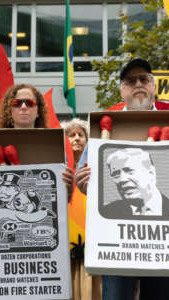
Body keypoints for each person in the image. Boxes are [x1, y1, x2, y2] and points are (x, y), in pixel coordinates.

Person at [74, 58, 169, 300]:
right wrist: (82, 181)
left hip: (166, 241)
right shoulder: (102, 126)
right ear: (121, 89)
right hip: (114, 240)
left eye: (144, 79)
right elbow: (82, 176)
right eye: (130, 80)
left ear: (154, 86)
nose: (138, 84)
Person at [0, 83, 74, 300]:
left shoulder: (55, 147)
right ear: (9, 110)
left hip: (41, 254)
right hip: (1, 258)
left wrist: (67, 186)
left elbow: (61, 205)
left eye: (29, 103)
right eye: (16, 102)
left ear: (38, 110)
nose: (23, 107)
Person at [62, 118, 102, 300]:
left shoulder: (96, 167)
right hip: (66, 243)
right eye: (71, 135)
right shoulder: (59, 170)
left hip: (92, 242)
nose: (76, 138)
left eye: (81, 135)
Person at [103, 148, 169, 219]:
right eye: (115, 174)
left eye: (129, 171)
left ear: (151, 173)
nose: (122, 179)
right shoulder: (107, 212)